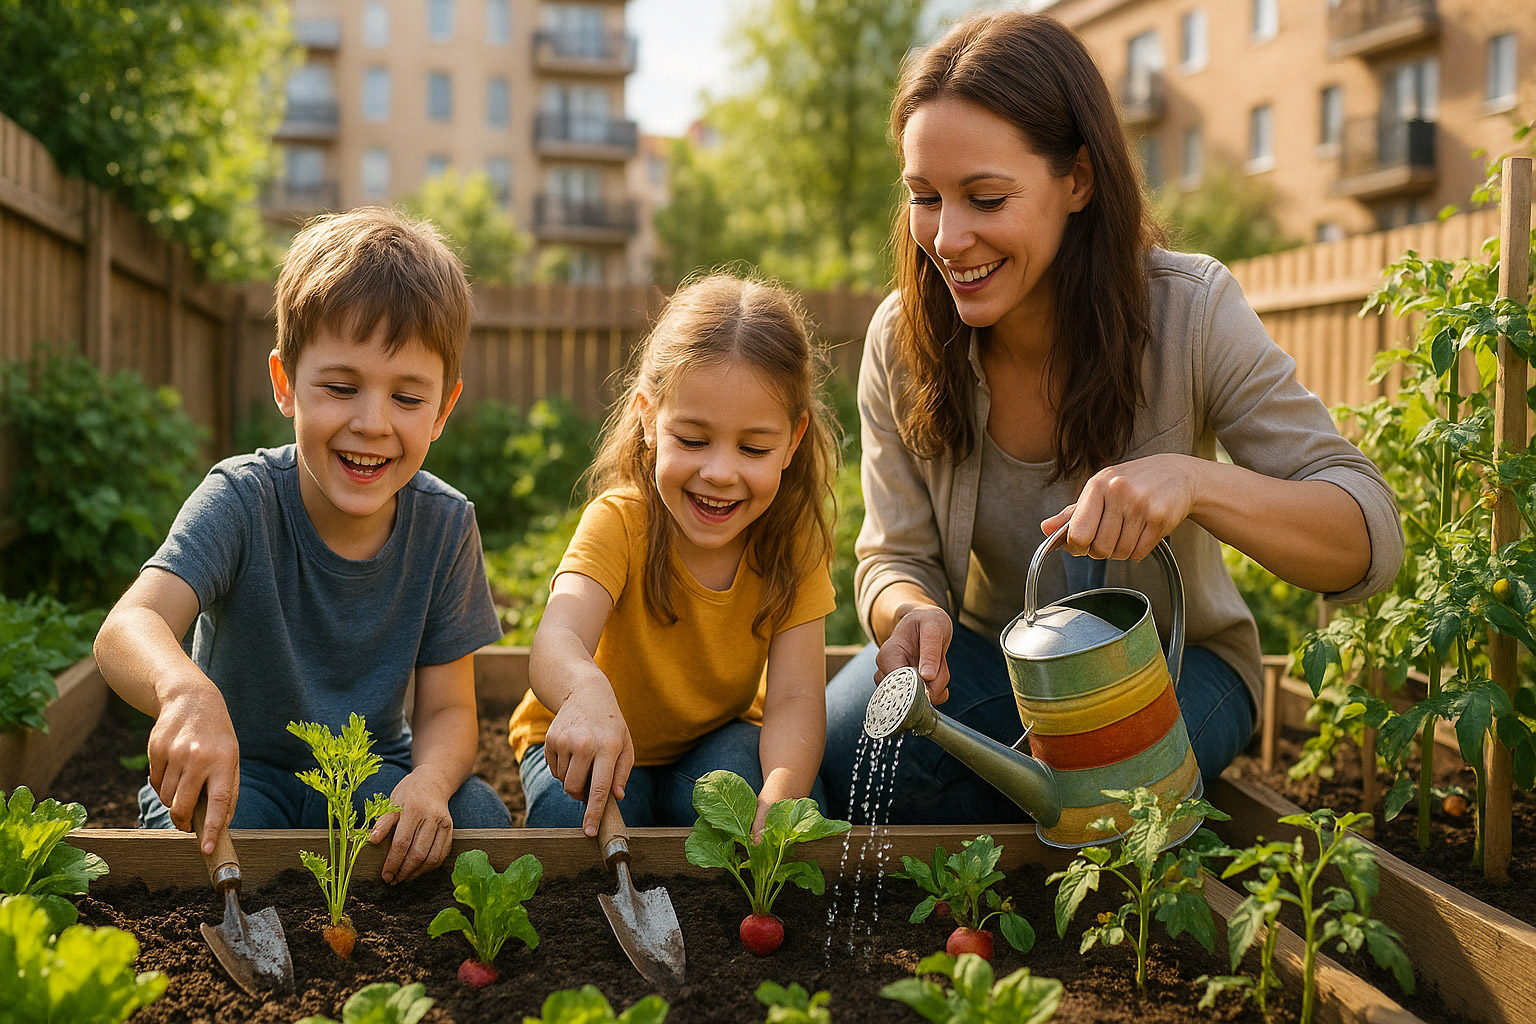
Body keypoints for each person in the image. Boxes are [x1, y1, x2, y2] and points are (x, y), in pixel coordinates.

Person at [819, 10, 1404, 824]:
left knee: (1111, 789)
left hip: (1173, 666)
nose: (947, 238)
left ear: (1078, 182)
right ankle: (1035, 807)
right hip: (998, 663)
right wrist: (909, 612)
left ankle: (1041, 809)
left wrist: (1195, 483)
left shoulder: (1190, 312)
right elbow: (893, 553)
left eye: (985, 197)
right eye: (924, 197)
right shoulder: (904, 339)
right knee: (851, 744)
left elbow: (1368, 537)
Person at [94, 207, 511, 883]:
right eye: (341, 387)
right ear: (286, 384)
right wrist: (184, 694)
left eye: (408, 397)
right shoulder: (241, 499)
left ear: (443, 410)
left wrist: (428, 785)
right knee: (205, 822)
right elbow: (125, 629)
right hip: (243, 772)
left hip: (371, 781)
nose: (372, 423)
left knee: (480, 816)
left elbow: (449, 709)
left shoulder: (445, 524)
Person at [510, 274, 839, 837]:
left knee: (740, 807)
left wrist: (782, 796)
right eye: (692, 439)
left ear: (793, 439)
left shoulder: (792, 542)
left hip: (711, 738)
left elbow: (796, 697)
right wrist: (585, 693)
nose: (719, 472)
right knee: (573, 824)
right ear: (647, 418)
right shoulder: (620, 521)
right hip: (588, 737)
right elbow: (555, 641)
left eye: (754, 448)